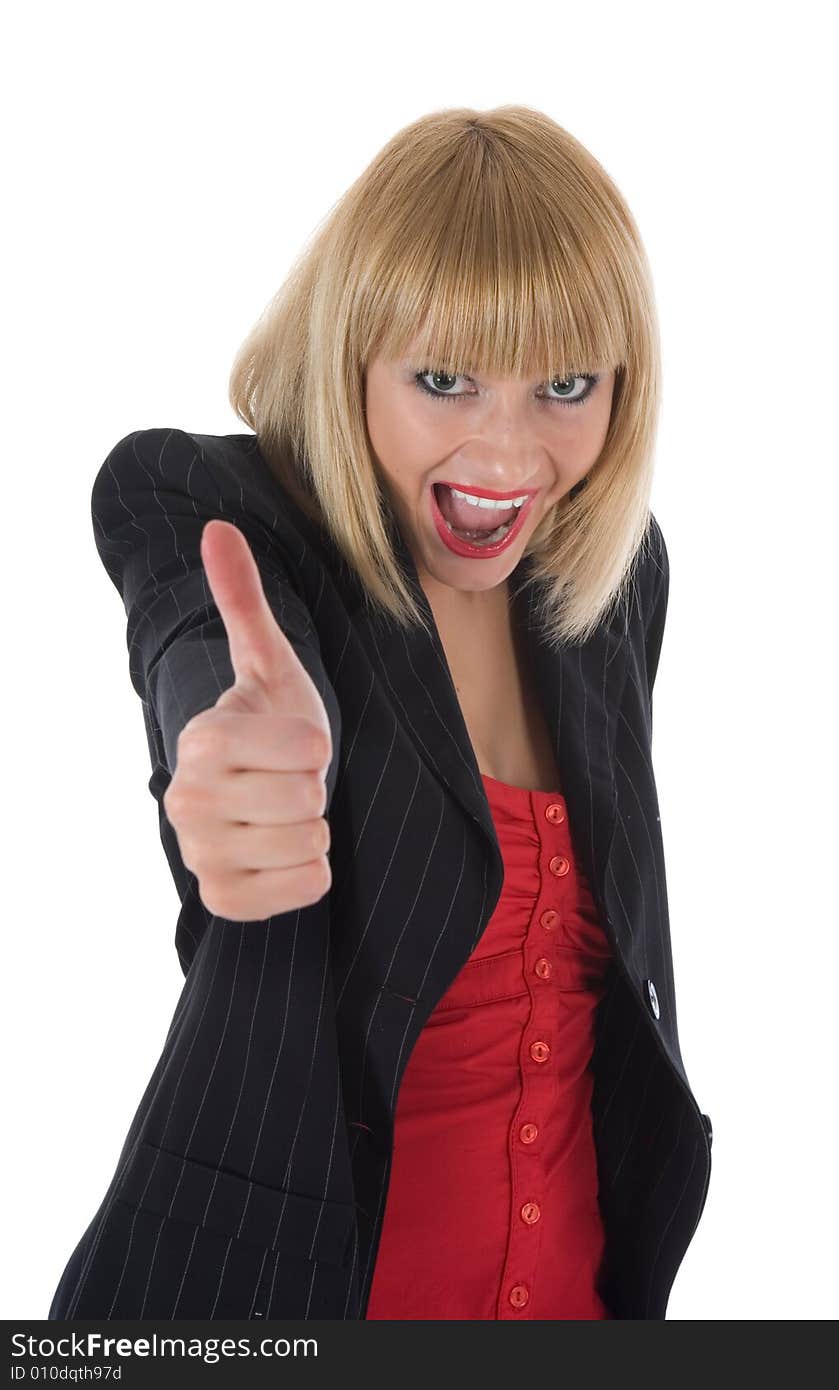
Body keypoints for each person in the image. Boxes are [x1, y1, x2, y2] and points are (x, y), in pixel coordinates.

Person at [47, 104, 712, 1322]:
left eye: (564, 384)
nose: (505, 453)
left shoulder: (615, 580)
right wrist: (228, 762)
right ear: (349, 353)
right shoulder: (222, 508)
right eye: (443, 378)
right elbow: (201, 638)